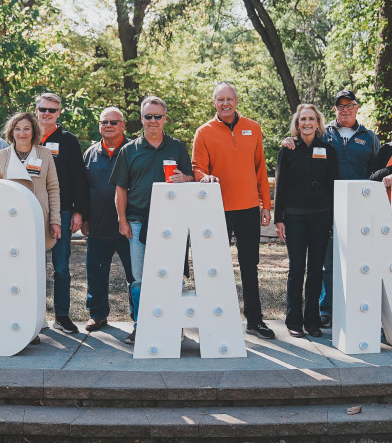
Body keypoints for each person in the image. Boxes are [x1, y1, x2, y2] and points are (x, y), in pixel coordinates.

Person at [281, 89, 380, 328]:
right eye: (340, 106)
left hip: (354, 210)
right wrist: (287, 140)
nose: (345, 109)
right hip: (312, 212)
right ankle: (321, 311)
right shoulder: (325, 136)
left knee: (358, 262)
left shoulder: (369, 137)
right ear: (334, 110)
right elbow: (289, 173)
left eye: (350, 105)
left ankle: (357, 309)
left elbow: (378, 170)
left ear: (357, 107)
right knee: (321, 265)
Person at [192, 81, 275, 340]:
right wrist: (203, 177)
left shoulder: (253, 128)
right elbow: (197, 168)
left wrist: (266, 204)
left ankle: (255, 321)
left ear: (236, 101)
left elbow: (260, 168)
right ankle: (217, 320)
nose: (225, 103)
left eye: (229, 99)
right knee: (216, 266)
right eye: (220, 99)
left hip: (249, 207)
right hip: (218, 210)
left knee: (250, 265)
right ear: (213, 102)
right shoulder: (203, 132)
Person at [109, 96, 193, 346]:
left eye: (158, 116)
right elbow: (120, 190)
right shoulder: (129, 150)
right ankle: (141, 325)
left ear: (165, 118)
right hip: (137, 222)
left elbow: (191, 177)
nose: (153, 121)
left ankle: (174, 326)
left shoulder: (177, 147)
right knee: (139, 278)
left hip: (171, 222)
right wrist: (122, 221)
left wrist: (185, 179)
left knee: (174, 277)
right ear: (142, 119)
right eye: (148, 116)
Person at [273, 104, 337, 338]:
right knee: (296, 268)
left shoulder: (328, 149)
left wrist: (332, 218)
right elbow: (280, 185)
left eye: (311, 119)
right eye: (303, 119)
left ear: (318, 122)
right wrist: (279, 218)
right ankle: (293, 321)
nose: (307, 123)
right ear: (297, 124)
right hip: (294, 216)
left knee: (316, 270)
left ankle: (312, 320)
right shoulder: (288, 148)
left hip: (321, 216)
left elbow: (332, 186)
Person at [35, 92, 89, 334]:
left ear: (59, 113)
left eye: (52, 110)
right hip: (31, 212)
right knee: (30, 266)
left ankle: (62, 315)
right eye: (43, 109)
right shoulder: (24, 136)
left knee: (61, 267)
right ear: (36, 110)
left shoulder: (68, 140)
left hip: (63, 211)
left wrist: (80, 212)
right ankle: (33, 317)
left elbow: (79, 178)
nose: (47, 114)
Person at [81, 107, 135, 332]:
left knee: (135, 275)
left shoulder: (134, 150)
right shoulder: (90, 153)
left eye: (114, 122)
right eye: (105, 122)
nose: (109, 126)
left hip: (130, 226)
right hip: (98, 225)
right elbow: (83, 189)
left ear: (123, 125)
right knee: (96, 273)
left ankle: (139, 317)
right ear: (99, 126)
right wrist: (84, 218)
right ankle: (97, 314)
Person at [0, 112, 61, 252]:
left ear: (34, 131)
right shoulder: (2, 155)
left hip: (38, 215)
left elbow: (53, 188)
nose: (22, 133)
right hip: (11, 216)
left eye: (27, 128)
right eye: (17, 129)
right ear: (12, 132)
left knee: (36, 259)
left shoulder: (45, 154)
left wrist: (55, 220)